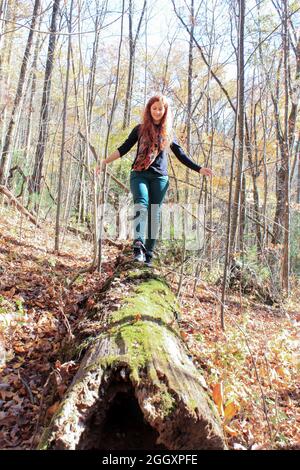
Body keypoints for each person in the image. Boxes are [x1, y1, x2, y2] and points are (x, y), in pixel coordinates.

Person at [100, 94, 212, 266]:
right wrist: (105, 161)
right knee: (142, 204)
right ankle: (138, 247)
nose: (157, 111)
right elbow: (124, 148)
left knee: (155, 213)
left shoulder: (168, 134)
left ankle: (149, 254)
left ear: (165, 111)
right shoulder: (139, 129)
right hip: (139, 174)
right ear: (149, 110)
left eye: (161, 109)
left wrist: (199, 168)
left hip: (160, 178)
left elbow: (181, 155)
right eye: (154, 108)